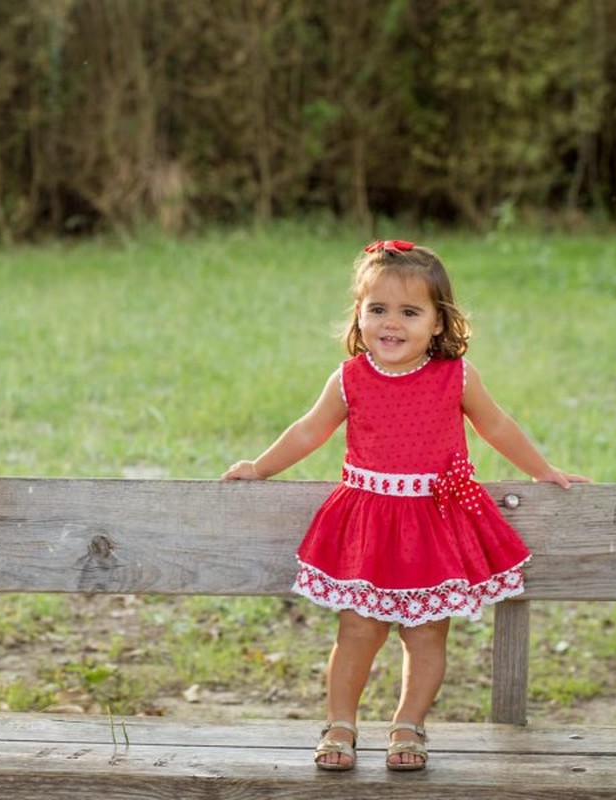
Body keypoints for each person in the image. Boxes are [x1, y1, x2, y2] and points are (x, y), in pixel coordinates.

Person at [222, 239, 587, 771]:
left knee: (425, 634)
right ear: (359, 314)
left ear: (438, 323)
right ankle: (341, 724)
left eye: (410, 312)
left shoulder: (455, 376)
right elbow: (308, 431)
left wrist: (542, 470)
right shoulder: (349, 379)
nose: (391, 324)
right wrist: (260, 466)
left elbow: (496, 424)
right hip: (369, 523)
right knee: (358, 630)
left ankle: (408, 724)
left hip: (434, 524)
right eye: (378, 310)